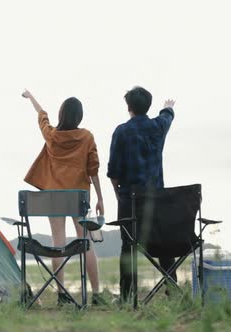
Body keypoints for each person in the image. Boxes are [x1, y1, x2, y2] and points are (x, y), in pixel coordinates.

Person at [21, 89, 106, 306]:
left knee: (57, 242)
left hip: (54, 197)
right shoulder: (86, 137)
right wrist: (100, 198)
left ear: (62, 115)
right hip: (78, 197)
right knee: (85, 242)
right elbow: (93, 169)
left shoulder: (51, 135)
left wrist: (31, 97)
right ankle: (96, 295)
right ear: (80, 116)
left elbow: (42, 115)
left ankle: (62, 296)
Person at [107, 86, 176, 302]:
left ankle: (128, 297)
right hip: (157, 202)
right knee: (165, 245)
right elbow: (166, 117)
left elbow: (114, 173)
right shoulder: (157, 127)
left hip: (130, 203)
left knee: (128, 247)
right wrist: (168, 108)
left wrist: (118, 194)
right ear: (148, 106)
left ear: (129, 107)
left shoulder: (121, 131)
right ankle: (173, 291)